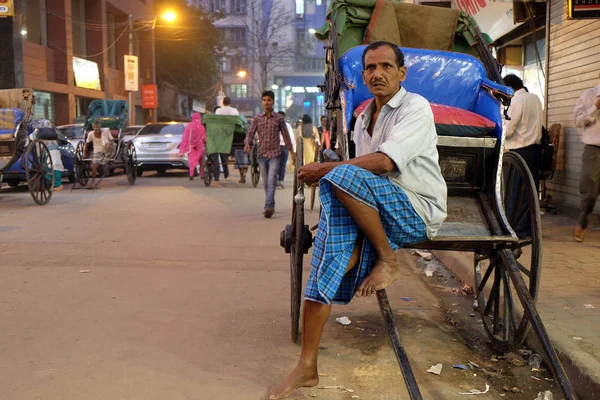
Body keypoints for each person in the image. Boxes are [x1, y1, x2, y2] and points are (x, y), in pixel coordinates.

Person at [267, 41, 447, 399]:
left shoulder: (415, 106)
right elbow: (364, 179)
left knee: (339, 176)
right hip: (377, 211)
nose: (376, 74)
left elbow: (383, 164)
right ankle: (307, 367)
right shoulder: (363, 117)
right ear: (362, 75)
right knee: (326, 261)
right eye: (369, 68)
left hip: (416, 209)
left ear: (401, 73)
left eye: (385, 66)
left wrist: (326, 168)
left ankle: (387, 259)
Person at [244, 90, 296, 218]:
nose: (266, 103)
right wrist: (247, 143)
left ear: (273, 102)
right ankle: (270, 202)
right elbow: (250, 133)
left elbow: (286, 136)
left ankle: (268, 206)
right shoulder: (257, 118)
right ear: (262, 102)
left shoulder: (279, 118)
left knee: (272, 180)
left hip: (275, 154)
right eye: (264, 100)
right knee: (266, 182)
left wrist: (292, 152)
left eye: (269, 100)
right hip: (262, 155)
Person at [503, 74, 544, 190]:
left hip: (519, 153)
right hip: (536, 150)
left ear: (509, 88)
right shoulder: (535, 98)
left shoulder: (516, 101)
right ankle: (531, 209)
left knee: (515, 190)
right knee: (531, 190)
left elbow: (508, 130)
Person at [573, 76, 600, 242]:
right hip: (594, 150)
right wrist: (594, 109)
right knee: (590, 192)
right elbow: (577, 120)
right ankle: (582, 223)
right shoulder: (588, 95)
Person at [30, 119, 64, 191]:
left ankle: (57, 184)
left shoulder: (38, 130)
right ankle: (55, 183)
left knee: (49, 168)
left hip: (46, 150)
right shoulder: (53, 130)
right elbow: (61, 138)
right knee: (55, 166)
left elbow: (31, 137)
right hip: (55, 150)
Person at [85, 119, 114, 188]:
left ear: (100, 127)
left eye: (97, 127)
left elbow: (112, 140)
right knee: (94, 165)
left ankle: (104, 161)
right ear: (93, 127)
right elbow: (87, 144)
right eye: (94, 127)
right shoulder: (91, 134)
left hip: (106, 151)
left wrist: (109, 144)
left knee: (114, 146)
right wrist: (85, 154)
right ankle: (93, 182)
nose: (96, 128)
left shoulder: (105, 131)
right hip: (97, 152)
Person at [179, 112, 206, 181]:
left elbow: (185, 137)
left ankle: (191, 175)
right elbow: (204, 138)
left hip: (191, 147)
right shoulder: (201, 126)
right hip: (200, 147)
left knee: (191, 161)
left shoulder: (189, 126)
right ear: (199, 118)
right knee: (201, 162)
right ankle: (202, 175)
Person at [277, 111, 296, 189]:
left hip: (276, 147)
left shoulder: (273, 124)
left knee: (275, 164)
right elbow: (291, 138)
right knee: (282, 165)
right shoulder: (287, 125)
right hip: (283, 147)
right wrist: (293, 150)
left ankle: (276, 181)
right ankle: (280, 182)